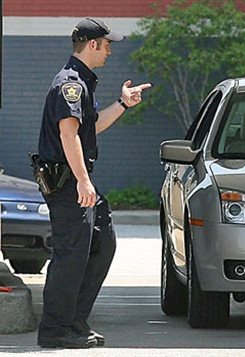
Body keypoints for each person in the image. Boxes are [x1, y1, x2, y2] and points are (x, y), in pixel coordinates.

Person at [35, 18, 151, 349]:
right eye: (107, 43)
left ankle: (73, 320)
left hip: (78, 180)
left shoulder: (83, 83)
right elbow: (68, 134)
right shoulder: (70, 84)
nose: (110, 49)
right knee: (70, 255)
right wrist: (84, 182)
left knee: (102, 245)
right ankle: (55, 329)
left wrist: (124, 103)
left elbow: (91, 127)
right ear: (92, 44)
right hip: (69, 182)